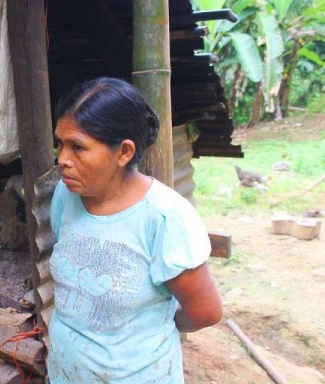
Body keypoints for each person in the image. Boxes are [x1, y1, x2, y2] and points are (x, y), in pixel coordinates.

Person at [47, 77, 222, 383]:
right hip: (66, 371)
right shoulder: (67, 195)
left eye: (77, 147)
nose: (63, 160)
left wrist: (151, 331)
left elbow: (204, 312)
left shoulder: (165, 218)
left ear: (124, 152)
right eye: (60, 144)